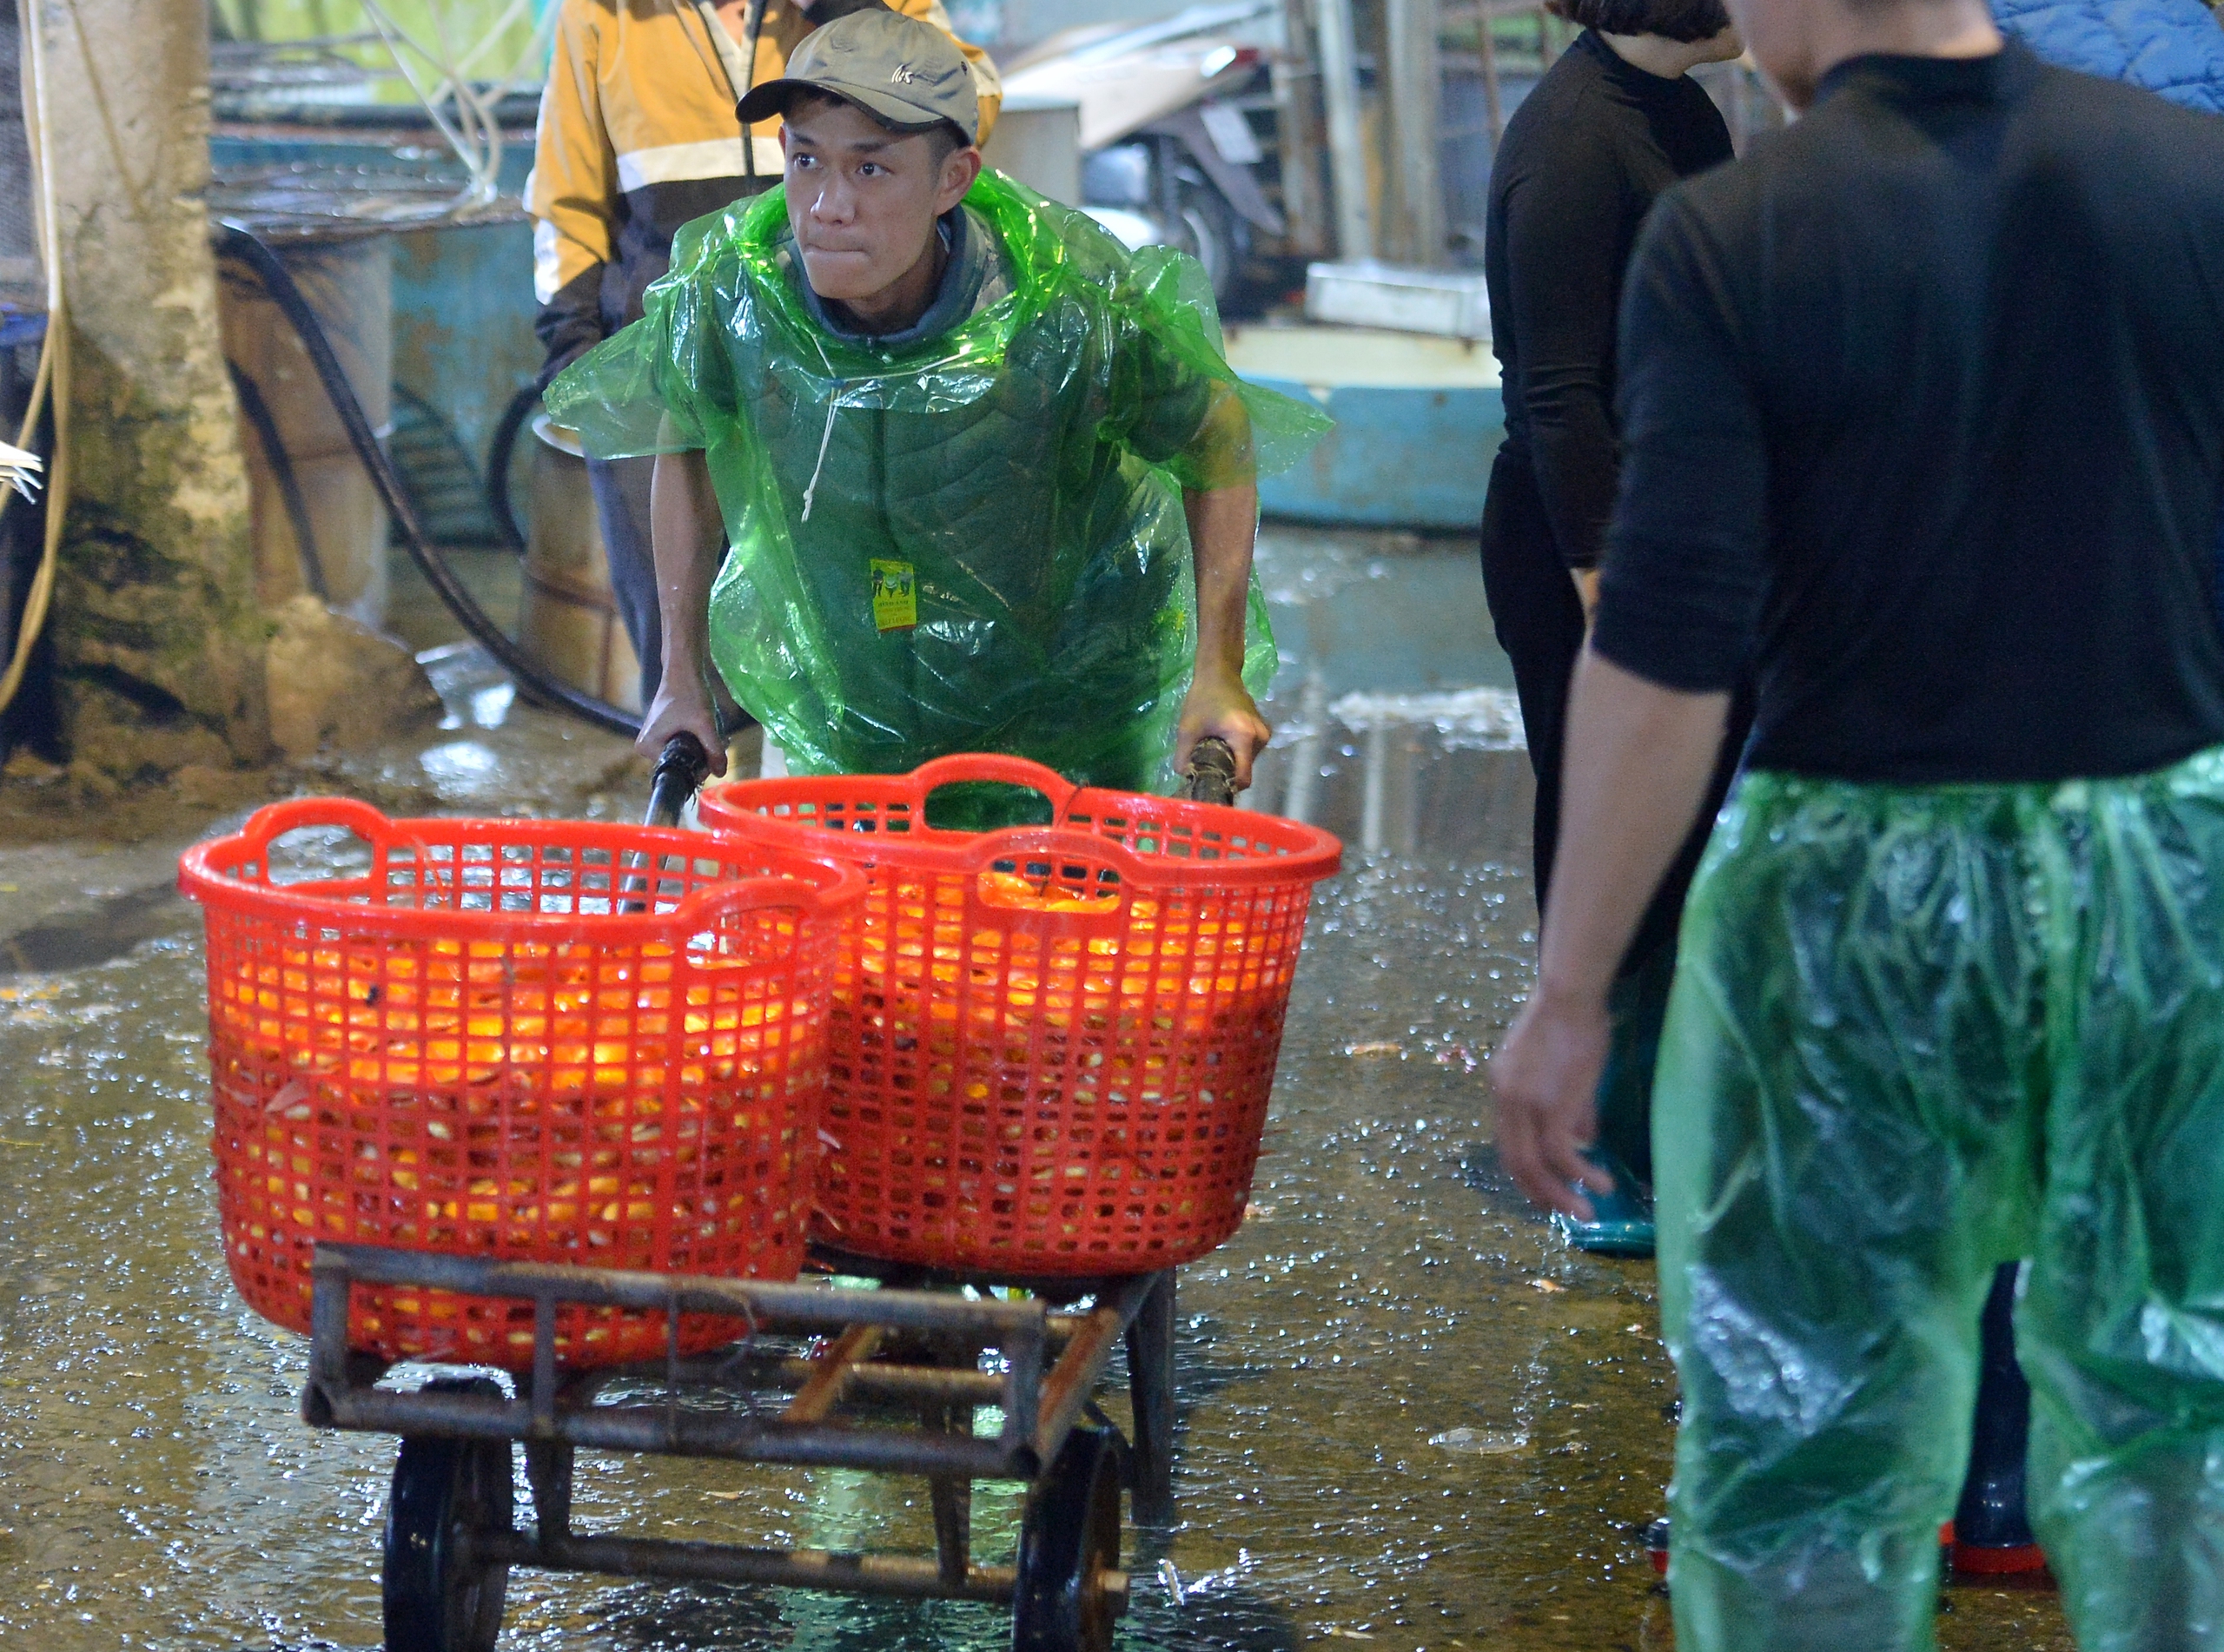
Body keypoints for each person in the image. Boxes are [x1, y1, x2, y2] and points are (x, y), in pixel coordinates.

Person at [1488, 0, 2224, 1640]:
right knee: (2178, 1413)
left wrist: (1571, 992)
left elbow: (1666, 653)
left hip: (1857, 921)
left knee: (1806, 1434)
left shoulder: (1739, 230)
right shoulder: (2191, 178)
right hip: (2163, 901)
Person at [544, 9, 1323, 811]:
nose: (827, 206)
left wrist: (1218, 668)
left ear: (954, 178)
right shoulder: (740, 294)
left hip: (1063, 742)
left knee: (1048, 931)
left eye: (870, 170)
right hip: (845, 730)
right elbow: (689, 436)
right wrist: (680, 675)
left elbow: (1215, 433)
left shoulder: (1068, 307)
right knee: (852, 933)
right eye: (807, 161)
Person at [526, 0, 1000, 710]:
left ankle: (841, 796)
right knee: (680, 648)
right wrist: (575, 344)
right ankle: (703, 795)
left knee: (858, 629)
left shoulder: (867, 11)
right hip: (665, 367)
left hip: (829, 369)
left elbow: (977, 101)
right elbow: (565, 199)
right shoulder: (605, 15)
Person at [1479, 0, 1745, 1252]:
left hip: (1673, 536)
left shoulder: (1678, 108)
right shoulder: (1572, 140)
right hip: (1576, 542)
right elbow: (1556, 395)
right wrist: (1604, 587)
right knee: (1609, 836)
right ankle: (1587, 1154)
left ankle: (1647, 1126)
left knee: (1684, 844)